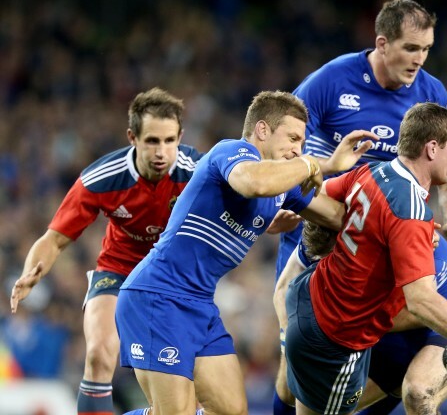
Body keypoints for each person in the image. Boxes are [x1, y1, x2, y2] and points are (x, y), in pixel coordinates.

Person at [272, 0, 447, 414]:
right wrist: (285, 199)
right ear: (382, 43)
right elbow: (282, 146)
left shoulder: (431, 93)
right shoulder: (331, 82)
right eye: (411, 48)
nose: (419, 60)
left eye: (426, 50)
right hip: (326, 237)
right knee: (292, 379)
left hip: (390, 241)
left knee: (386, 352)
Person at [114, 90, 380, 415]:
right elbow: (252, 182)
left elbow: (339, 217)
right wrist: (313, 163)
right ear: (263, 130)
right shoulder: (233, 151)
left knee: (231, 411)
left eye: (303, 142)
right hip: (158, 295)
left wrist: (404, 228)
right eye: (293, 137)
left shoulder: (283, 187)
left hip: (199, 305)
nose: (298, 148)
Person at [283, 102, 447, 415]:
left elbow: (320, 192)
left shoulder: (370, 172)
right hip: (339, 329)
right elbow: (420, 301)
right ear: (432, 149)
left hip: (316, 302)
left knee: (413, 395)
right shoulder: (409, 210)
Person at [10, 87, 203, 415]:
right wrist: (32, 271)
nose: (162, 151)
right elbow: (54, 239)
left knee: (183, 390)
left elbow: (243, 202)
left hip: (174, 277)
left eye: (170, 141)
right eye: (152, 141)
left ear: (180, 136)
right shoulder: (103, 177)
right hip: (118, 270)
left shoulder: (197, 171)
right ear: (132, 137)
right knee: (99, 354)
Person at [275, 220, 447, 414]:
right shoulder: (321, 234)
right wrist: (288, 353)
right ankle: (397, 379)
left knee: (418, 394)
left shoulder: (398, 245)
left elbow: (422, 309)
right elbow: (284, 287)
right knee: (316, 405)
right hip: (393, 322)